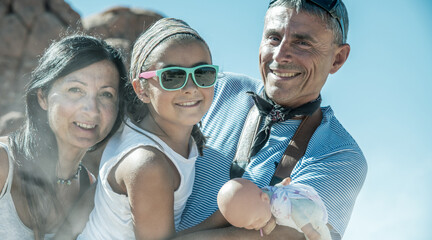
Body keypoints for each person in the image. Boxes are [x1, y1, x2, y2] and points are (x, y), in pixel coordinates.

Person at [178, 0, 367, 239]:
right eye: (274, 38)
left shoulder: (339, 153)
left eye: (302, 43)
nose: (280, 55)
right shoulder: (217, 90)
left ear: (338, 59)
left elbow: (286, 237)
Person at [77, 18, 218, 240]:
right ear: (141, 89)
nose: (191, 87)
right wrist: (229, 222)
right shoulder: (148, 164)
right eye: (172, 77)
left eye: (203, 74)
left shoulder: (135, 127)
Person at [0, 34, 128, 239]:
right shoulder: (3, 163)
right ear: (43, 97)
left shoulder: (89, 187)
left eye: (106, 94)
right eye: (75, 90)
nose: (92, 110)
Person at [217, 178, 331, 240]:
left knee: (319, 233)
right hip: (298, 211)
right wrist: (282, 184)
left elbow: (294, 210)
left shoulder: (277, 204)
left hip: (307, 213)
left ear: (265, 199)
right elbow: (274, 190)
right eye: (247, 226)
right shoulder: (262, 197)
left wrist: (309, 230)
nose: (254, 227)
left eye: (256, 220)